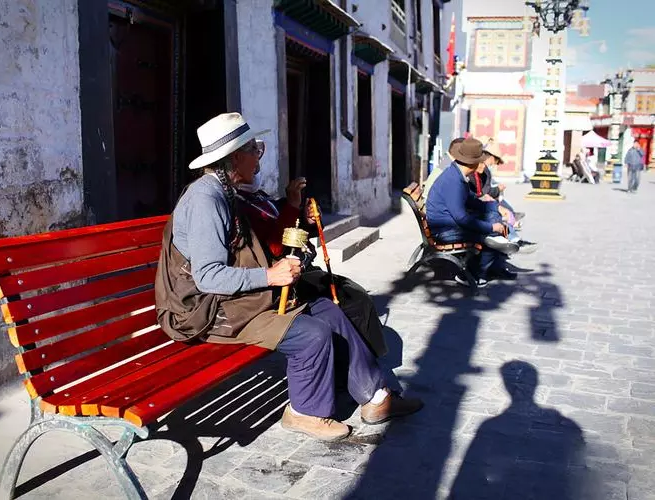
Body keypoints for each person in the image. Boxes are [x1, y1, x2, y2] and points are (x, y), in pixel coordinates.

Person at [155, 113, 421, 442]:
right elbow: (208, 277)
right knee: (311, 334)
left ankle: (376, 398)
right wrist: (271, 274)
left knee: (330, 311)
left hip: (234, 300)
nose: (259, 157)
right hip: (205, 311)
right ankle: (304, 412)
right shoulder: (207, 200)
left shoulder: (226, 191)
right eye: (254, 150)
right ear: (235, 156)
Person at [235, 142, 388, 358]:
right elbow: (276, 247)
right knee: (351, 303)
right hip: (282, 281)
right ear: (235, 162)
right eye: (253, 157)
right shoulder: (238, 206)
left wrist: (305, 218)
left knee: (354, 294)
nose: (258, 162)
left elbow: (289, 225)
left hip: (299, 268)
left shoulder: (258, 197)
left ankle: (363, 364)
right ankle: (353, 366)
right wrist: (291, 205)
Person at [425, 138, 519, 288]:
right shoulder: (453, 180)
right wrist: (491, 228)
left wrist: (496, 208)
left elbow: (472, 200)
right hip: (444, 230)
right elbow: (462, 218)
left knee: (495, 219)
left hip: (451, 225)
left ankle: (497, 256)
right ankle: (472, 273)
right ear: (473, 163)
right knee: (491, 233)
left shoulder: (457, 174)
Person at [469, 142, 538, 254]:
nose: (485, 165)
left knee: (498, 216)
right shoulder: (464, 176)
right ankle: (513, 239)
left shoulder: (475, 174)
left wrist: (492, 204)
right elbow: (462, 209)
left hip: (473, 210)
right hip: (465, 218)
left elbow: (477, 195)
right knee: (497, 220)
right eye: (480, 162)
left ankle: (513, 240)